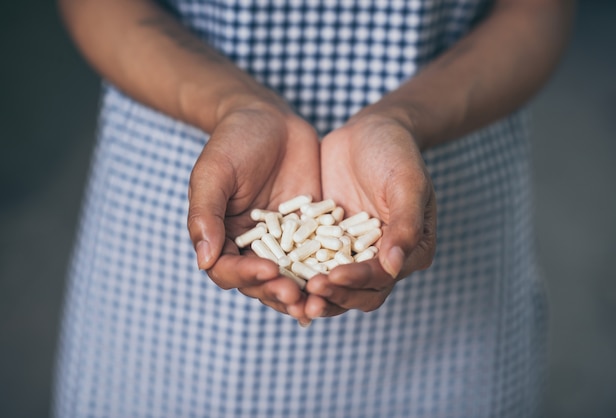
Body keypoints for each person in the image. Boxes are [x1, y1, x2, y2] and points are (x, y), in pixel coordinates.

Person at [53, 0, 574, 416]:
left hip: (431, 175)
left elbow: (537, 12)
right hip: (192, 172)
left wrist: (404, 118)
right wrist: (233, 105)